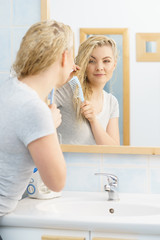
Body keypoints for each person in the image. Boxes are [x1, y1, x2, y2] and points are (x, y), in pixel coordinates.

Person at [0, 20, 74, 216]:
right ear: (64, 57)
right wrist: (48, 125)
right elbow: (56, 182)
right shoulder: (34, 110)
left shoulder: (7, 88)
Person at [54, 35, 120, 145]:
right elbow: (35, 109)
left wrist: (93, 120)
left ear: (114, 64)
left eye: (106, 61)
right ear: (83, 64)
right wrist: (60, 80)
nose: (99, 67)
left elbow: (114, 150)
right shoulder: (67, 91)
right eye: (91, 61)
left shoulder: (111, 102)